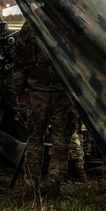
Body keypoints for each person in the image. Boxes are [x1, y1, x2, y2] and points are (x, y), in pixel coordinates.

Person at [12, 22, 76, 196]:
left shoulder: (30, 26)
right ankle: (54, 186)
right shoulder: (66, 23)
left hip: (37, 92)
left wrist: (18, 90)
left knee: (35, 139)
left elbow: (20, 62)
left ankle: (30, 186)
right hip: (63, 93)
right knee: (61, 140)